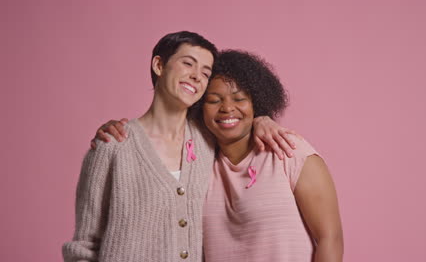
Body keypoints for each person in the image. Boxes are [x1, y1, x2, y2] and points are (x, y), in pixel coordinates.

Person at [63, 31, 296, 262]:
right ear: (159, 65)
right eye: (188, 64)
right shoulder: (112, 146)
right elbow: (84, 248)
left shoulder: (208, 141)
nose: (196, 76)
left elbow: (236, 123)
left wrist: (261, 119)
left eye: (205, 73)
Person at [98, 49, 344, 261]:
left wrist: (263, 119)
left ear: (256, 103)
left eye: (239, 99)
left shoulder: (288, 152)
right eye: (214, 100)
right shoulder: (195, 164)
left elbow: (329, 238)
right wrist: (119, 132)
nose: (227, 108)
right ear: (198, 107)